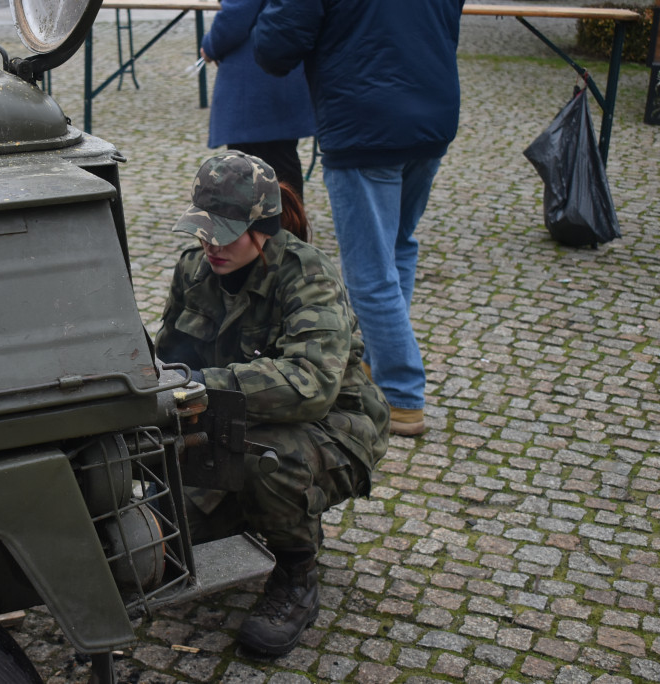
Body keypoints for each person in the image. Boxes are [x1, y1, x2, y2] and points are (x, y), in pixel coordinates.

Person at [156, 150, 389, 656]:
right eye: (203, 227)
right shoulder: (195, 269)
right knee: (160, 542)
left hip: (334, 427)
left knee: (264, 461)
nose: (209, 243)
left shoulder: (307, 277)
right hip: (229, 419)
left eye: (224, 231)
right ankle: (255, 513)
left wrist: (198, 383)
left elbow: (311, 386)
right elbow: (168, 358)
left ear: (263, 228)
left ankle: (296, 575)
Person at [251, 0, 466, 436]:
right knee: (396, 247)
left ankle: (402, 394)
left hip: (365, 121)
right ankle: (376, 361)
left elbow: (275, 47)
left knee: (371, 272)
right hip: (431, 112)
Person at [199, 0, 315, 200]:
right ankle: (287, 225)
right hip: (278, 66)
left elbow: (235, 16)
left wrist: (210, 45)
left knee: (256, 167)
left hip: (257, 77)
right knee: (278, 159)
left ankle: (274, 228)